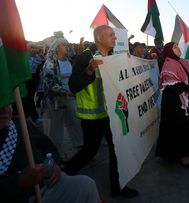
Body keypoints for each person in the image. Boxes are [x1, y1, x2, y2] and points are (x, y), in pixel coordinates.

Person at [62, 25, 138, 198]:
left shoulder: (114, 57)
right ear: (99, 38)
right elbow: (73, 86)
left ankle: (118, 187)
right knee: (90, 150)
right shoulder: (84, 57)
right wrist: (89, 70)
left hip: (112, 113)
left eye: (114, 35)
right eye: (110, 35)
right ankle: (62, 176)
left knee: (116, 149)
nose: (114, 38)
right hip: (92, 116)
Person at [0, 106, 100, 203]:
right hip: (16, 196)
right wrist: (18, 182)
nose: (5, 110)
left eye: (7, 105)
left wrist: (53, 163)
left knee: (86, 185)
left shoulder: (19, 123)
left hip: (48, 184)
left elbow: (47, 145)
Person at [155, 42, 189, 168]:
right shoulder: (168, 64)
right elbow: (174, 85)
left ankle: (178, 155)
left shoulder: (180, 61)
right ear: (169, 51)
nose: (178, 48)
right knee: (178, 128)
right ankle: (177, 156)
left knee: (181, 128)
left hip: (181, 100)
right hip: (173, 102)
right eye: (175, 47)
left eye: (177, 46)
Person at [41, 38, 83, 159]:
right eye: (64, 45)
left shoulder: (69, 61)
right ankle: (54, 154)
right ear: (57, 48)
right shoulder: (50, 63)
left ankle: (80, 146)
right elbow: (49, 83)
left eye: (67, 44)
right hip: (55, 102)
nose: (67, 46)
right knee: (55, 129)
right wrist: (67, 93)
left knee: (76, 122)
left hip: (71, 98)